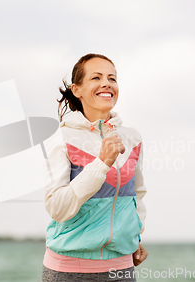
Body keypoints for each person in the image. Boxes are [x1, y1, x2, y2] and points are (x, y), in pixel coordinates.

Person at [41, 53, 148, 282]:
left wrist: (134, 238)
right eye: (96, 78)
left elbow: (136, 196)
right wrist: (100, 164)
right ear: (77, 90)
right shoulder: (62, 138)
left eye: (112, 78)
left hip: (121, 269)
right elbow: (57, 207)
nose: (106, 83)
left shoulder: (133, 139)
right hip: (68, 271)